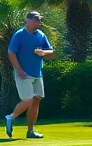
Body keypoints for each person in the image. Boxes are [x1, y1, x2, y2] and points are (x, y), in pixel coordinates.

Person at [5, 10, 55, 139]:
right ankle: (10, 117)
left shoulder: (41, 35)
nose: (39, 22)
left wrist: (44, 53)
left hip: (37, 73)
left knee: (36, 100)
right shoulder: (19, 35)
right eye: (36, 20)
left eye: (39, 20)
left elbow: (51, 52)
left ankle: (30, 131)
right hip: (23, 73)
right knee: (28, 99)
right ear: (28, 20)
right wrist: (19, 69)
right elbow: (11, 53)